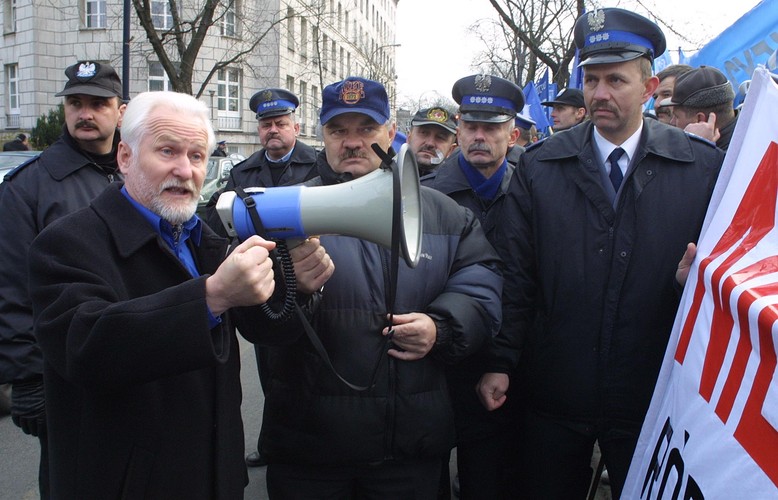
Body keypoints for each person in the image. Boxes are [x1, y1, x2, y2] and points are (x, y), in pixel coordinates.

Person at [476, 8, 725, 498]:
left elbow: (722, 278)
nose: (600, 94)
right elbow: (517, 273)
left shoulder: (700, 167)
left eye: (616, 79)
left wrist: (691, 281)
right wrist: (501, 360)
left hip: (652, 393)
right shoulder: (542, 165)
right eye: (591, 80)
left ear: (650, 88)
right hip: (556, 390)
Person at [253, 76, 502, 499]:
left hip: (408, 450)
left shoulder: (445, 214)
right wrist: (291, 289)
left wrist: (441, 327)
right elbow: (256, 323)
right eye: (338, 130)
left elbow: (482, 285)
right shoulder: (282, 210)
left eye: (366, 129)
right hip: (309, 451)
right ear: (322, 136)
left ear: (390, 132)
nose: (352, 142)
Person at [28, 90, 278, 499]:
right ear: (125, 157)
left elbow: (265, 330)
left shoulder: (206, 239)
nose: (185, 169)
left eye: (197, 156)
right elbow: (86, 346)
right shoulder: (66, 242)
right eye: (167, 151)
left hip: (214, 476)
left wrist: (298, 284)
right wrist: (210, 298)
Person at [0, 60, 127, 499]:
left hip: (137, 360)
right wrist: (27, 377)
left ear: (120, 111)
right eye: (76, 103)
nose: (85, 113)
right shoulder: (28, 187)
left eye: (98, 103)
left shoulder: (137, 174)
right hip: (66, 374)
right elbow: (12, 289)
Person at [205, 87, 318, 468]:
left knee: (307, 366)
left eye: (280, 123)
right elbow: (220, 221)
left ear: (295, 126)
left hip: (308, 275)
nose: (273, 130)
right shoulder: (243, 171)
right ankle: (274, 443)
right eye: (266, 124)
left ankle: (308, 444)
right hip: (265, 281)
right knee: (271, 369)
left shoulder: (315, 165)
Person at [422, 73, 523, 499]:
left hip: (512, 361)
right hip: (440, 361)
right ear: (457, 130)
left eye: (492, 127)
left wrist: (505, 360)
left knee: (492, 480)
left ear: (513, 134)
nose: (479, 136)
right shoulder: (426, 196)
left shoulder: (534, 189)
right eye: (471, 126)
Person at [661, 65, 739, 150]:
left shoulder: (732, 155)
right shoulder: (749, 135)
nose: (672, 122)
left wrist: (696, 148)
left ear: (700, 119)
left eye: (676, 116)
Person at [406, 106, 458, 176]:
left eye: (440, 137)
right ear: (409, 138)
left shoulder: (456, 185)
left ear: (451, 150)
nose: (430, 143)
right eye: (424, 133)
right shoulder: (389, 178)